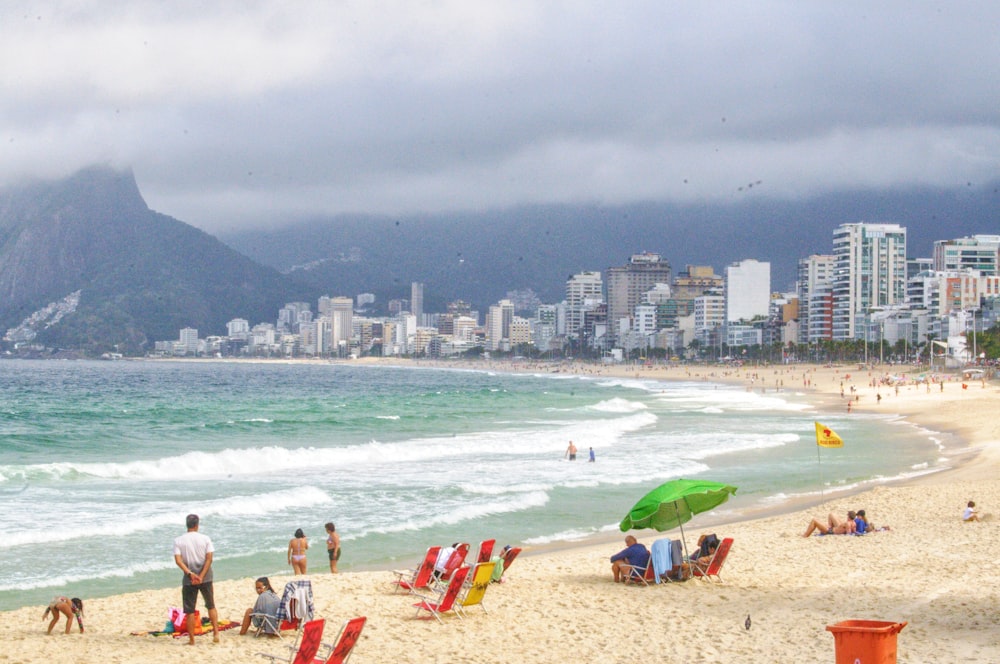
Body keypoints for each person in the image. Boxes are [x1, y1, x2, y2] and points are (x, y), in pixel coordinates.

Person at [173, 513, 220, 644]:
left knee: (190, 611)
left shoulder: (179, 540)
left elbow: (178, 560)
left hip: (189, 579)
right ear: (197, 525)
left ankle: (192, 639)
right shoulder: (205, 539)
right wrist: (201, 575)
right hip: (206, 577)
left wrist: (190, 574)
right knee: (211, 605)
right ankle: (216, 633)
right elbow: (209, 558)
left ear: (187, 525)